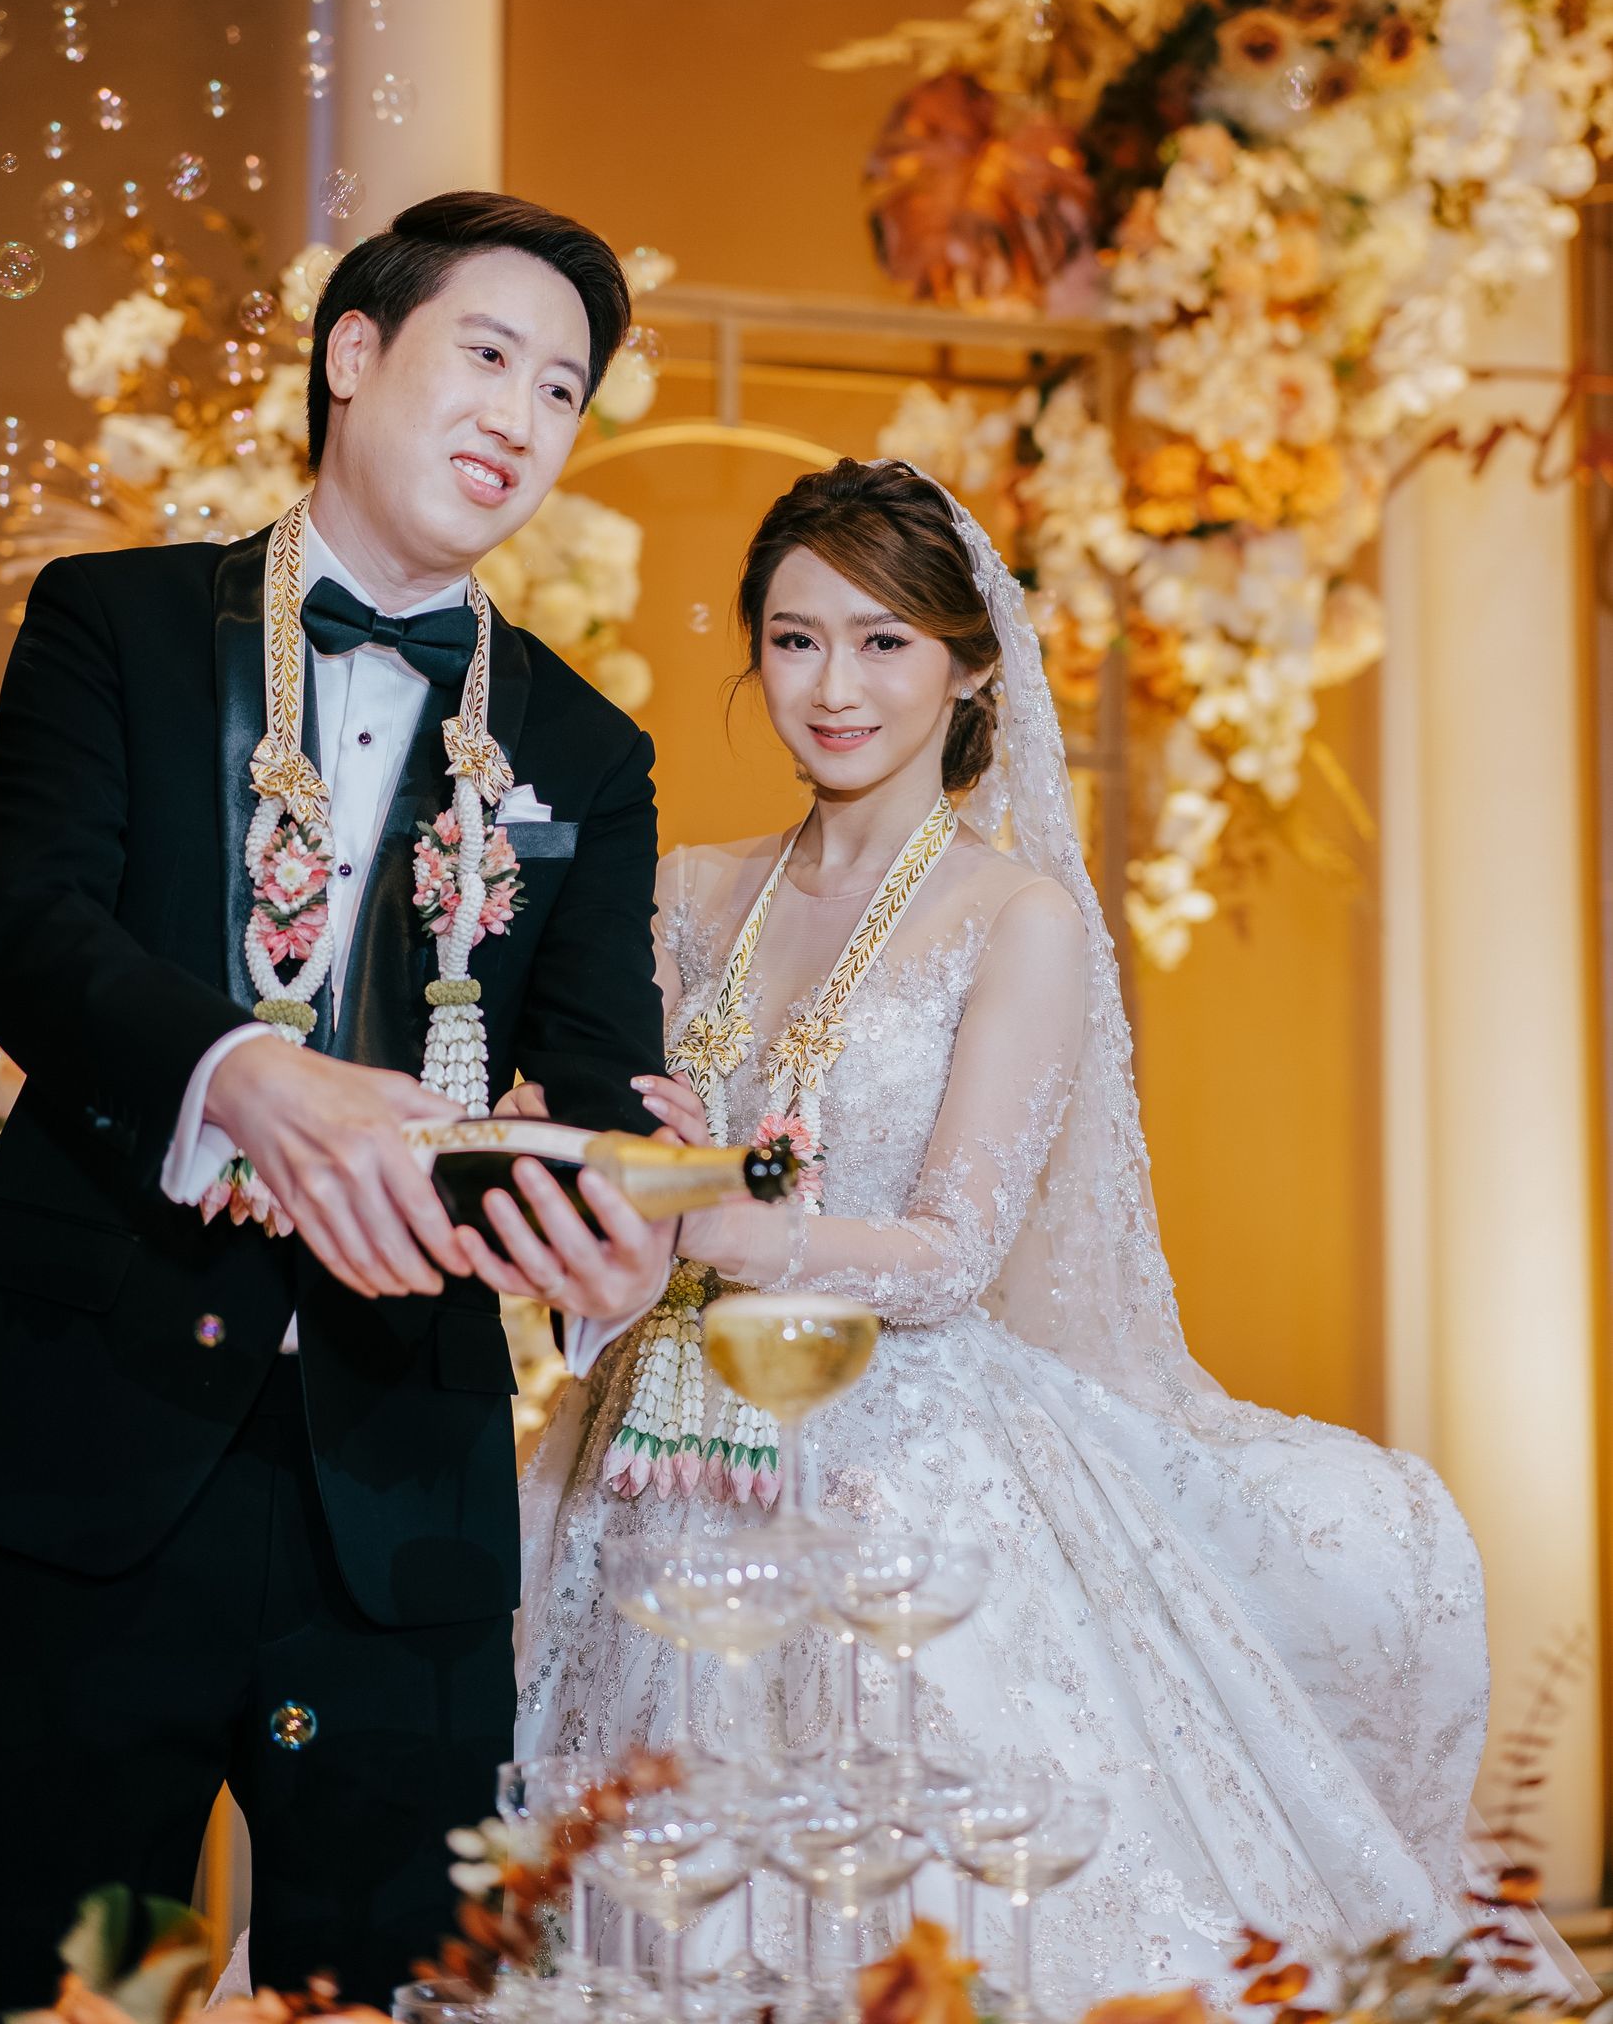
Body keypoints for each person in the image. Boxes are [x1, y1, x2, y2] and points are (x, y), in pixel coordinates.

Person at [503, 457, 1498, 2012]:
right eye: (795, 639)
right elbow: (609, 1120)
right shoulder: (686, 890)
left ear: (970, 667)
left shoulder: (1013, 916)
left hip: (896, 1462)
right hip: (656, 1453)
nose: (835, 687)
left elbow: (953, 1251)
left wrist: (721, 1224)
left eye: (884, 641)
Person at [0, 192, 676, 2017]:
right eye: (488, 354)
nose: (521, 415)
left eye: (561, 390)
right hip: (80, 1443)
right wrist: (248, 1078)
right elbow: (29, 931)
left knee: (399, 1994)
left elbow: (596, 1079)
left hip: (397, 1488)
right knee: (45, 1984)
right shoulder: (115, 621)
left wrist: (613, 1238)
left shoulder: (586, 748)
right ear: (354, 352)